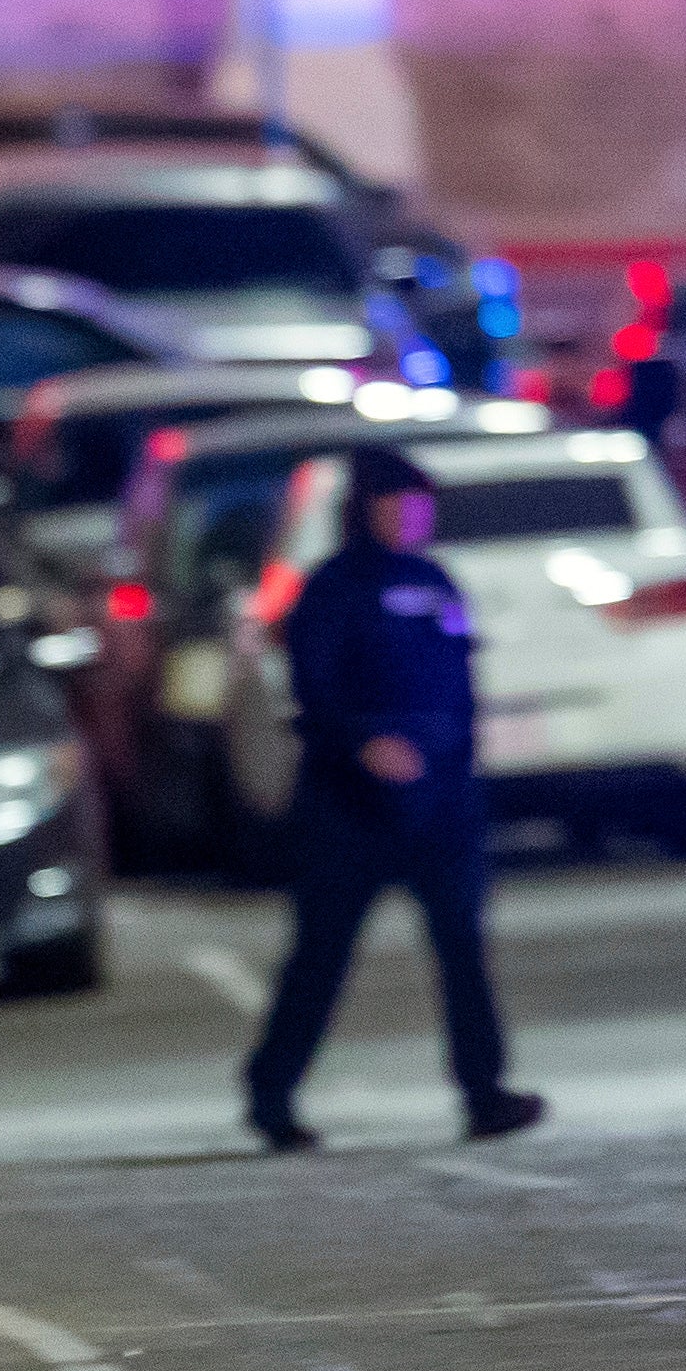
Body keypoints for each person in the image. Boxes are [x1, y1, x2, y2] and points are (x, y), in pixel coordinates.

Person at [240, 444, 549, 1153]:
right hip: (348, 810)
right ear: (364, 510)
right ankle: (271, 1094)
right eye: (396, 504)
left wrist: (461, 773)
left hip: (440, 805)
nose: (411, 517)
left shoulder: (437, 582)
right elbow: (313, 689)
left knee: (464, 950)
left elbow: (461, 683)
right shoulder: (331, 589)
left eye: (420, 504)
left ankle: (484, 1091)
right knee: (321, 957)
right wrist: (362, 746)